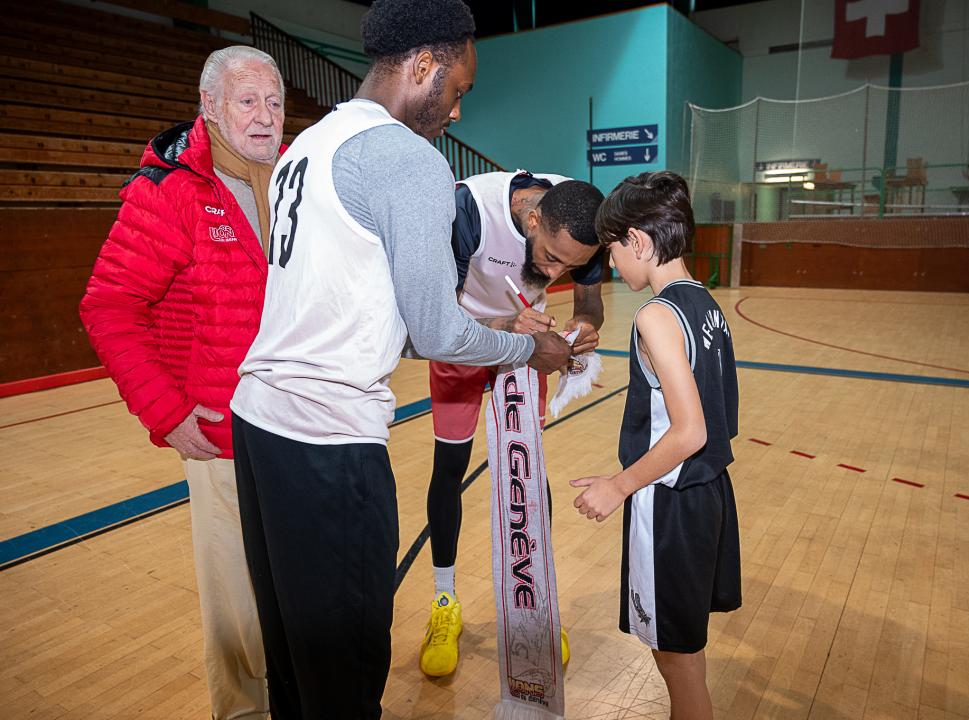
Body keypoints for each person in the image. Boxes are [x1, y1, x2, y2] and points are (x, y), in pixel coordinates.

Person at [228, 1, 571, 717]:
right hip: (327, 441)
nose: (457, 110)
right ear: (422, 66)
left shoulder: (307, 145)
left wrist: (492, 323)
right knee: (346, 685)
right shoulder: (408, 160)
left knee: (293, 669)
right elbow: (440, 334)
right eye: (458, 89)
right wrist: (528, 347)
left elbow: (393, 323)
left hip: (258, 429)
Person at [79, 46, 286, 720]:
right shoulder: (170, 190)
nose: (265, 117)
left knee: (295, 589)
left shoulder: (297, 182)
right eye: (247, 102)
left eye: (275, 102)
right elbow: (108, 306)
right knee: (235, 599)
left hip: (298, 425)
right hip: (222, 432)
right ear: (211, 109)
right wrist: (166, 412)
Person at [570, 171, 741, 720]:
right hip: (709, 494)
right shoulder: (705, 303)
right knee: (683, 651)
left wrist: (618, 486)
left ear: (638, 241)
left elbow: (691, 431)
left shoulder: (656, 314)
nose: (611, 263)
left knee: (675, 658)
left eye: (613, 249)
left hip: (669, 502)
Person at [421, 171, 605, 677]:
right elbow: (435, 319)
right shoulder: (468, 211)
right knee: (449, 468)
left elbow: (589, 302)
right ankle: (444, 601)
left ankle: (536, 602)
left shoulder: (585, 216)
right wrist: (505, 326)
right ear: (533, 218)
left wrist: (585, 326)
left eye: (570, 266)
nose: (554, 272)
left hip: (527, 349)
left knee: (528, 472)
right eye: (551, 257)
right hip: (462, 341)